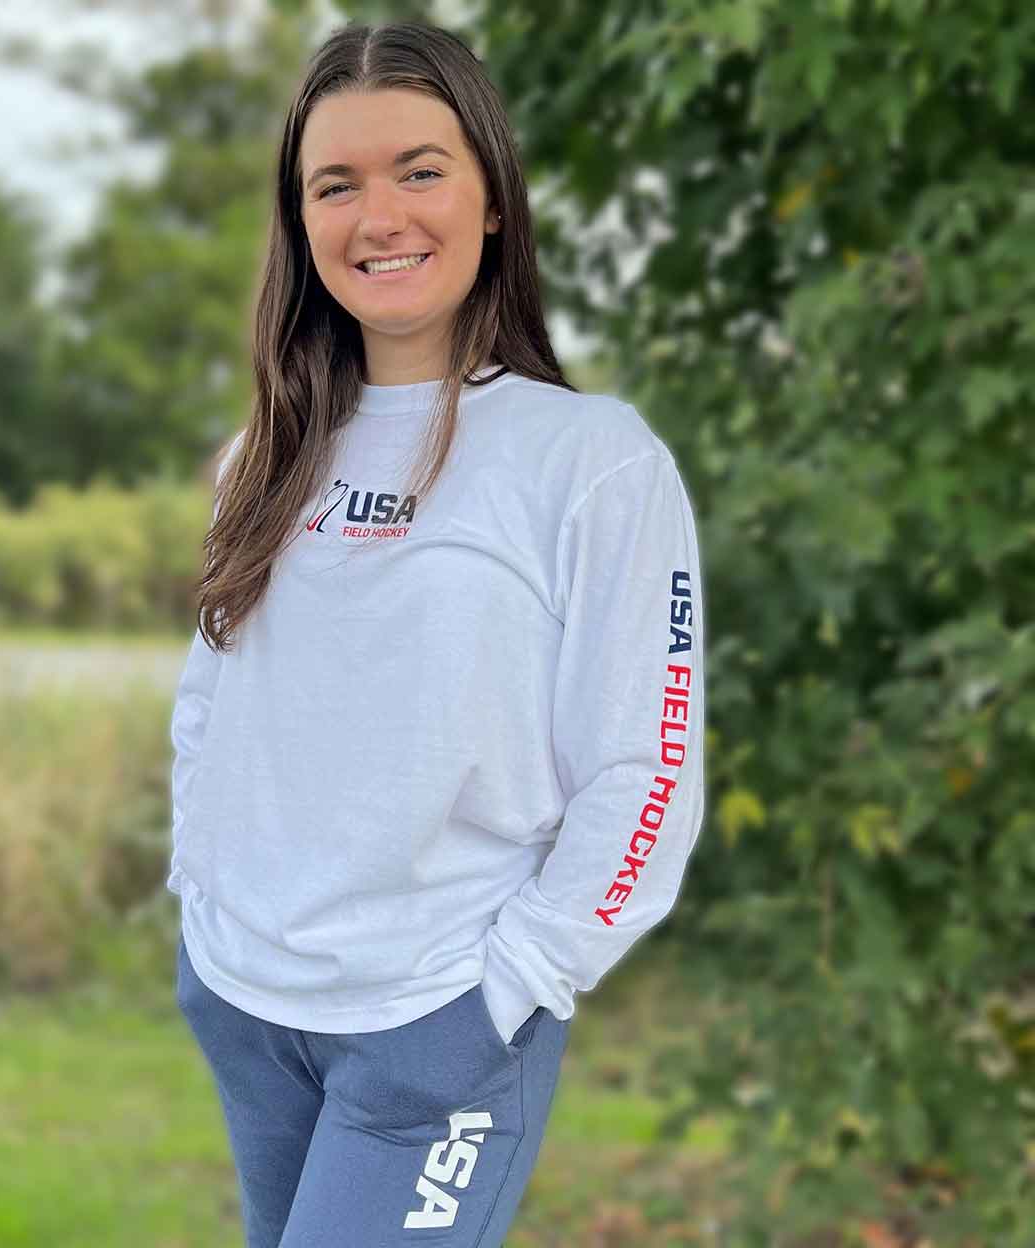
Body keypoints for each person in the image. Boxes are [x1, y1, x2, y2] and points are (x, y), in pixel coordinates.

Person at [168, 19, 707, 1248]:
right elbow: (215, 698)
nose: (380, 217)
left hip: (437, 1024)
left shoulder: (593, 462)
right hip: (248, 1006)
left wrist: (507, 993)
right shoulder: (267, 453)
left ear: (493, 197)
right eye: (335, 185)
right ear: (300, 221)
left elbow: (647, 768)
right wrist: (202, 899)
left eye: (420, 170)